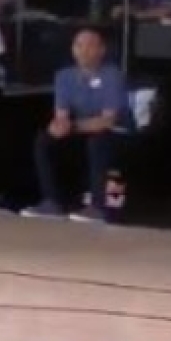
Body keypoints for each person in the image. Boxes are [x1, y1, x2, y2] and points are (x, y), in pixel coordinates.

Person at [23, 28, 130, 223]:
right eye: (79, 46)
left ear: (101, 50)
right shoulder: (64, 76)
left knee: (98, 141)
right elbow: (61, 116)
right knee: (44, 140)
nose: (84, 51)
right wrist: (57, 127)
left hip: (115, 134)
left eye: (90, 46)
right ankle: (52, 202)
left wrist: (71, 126)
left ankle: (98, 208)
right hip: (82, 132)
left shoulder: (112, 75)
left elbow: (107, 121)